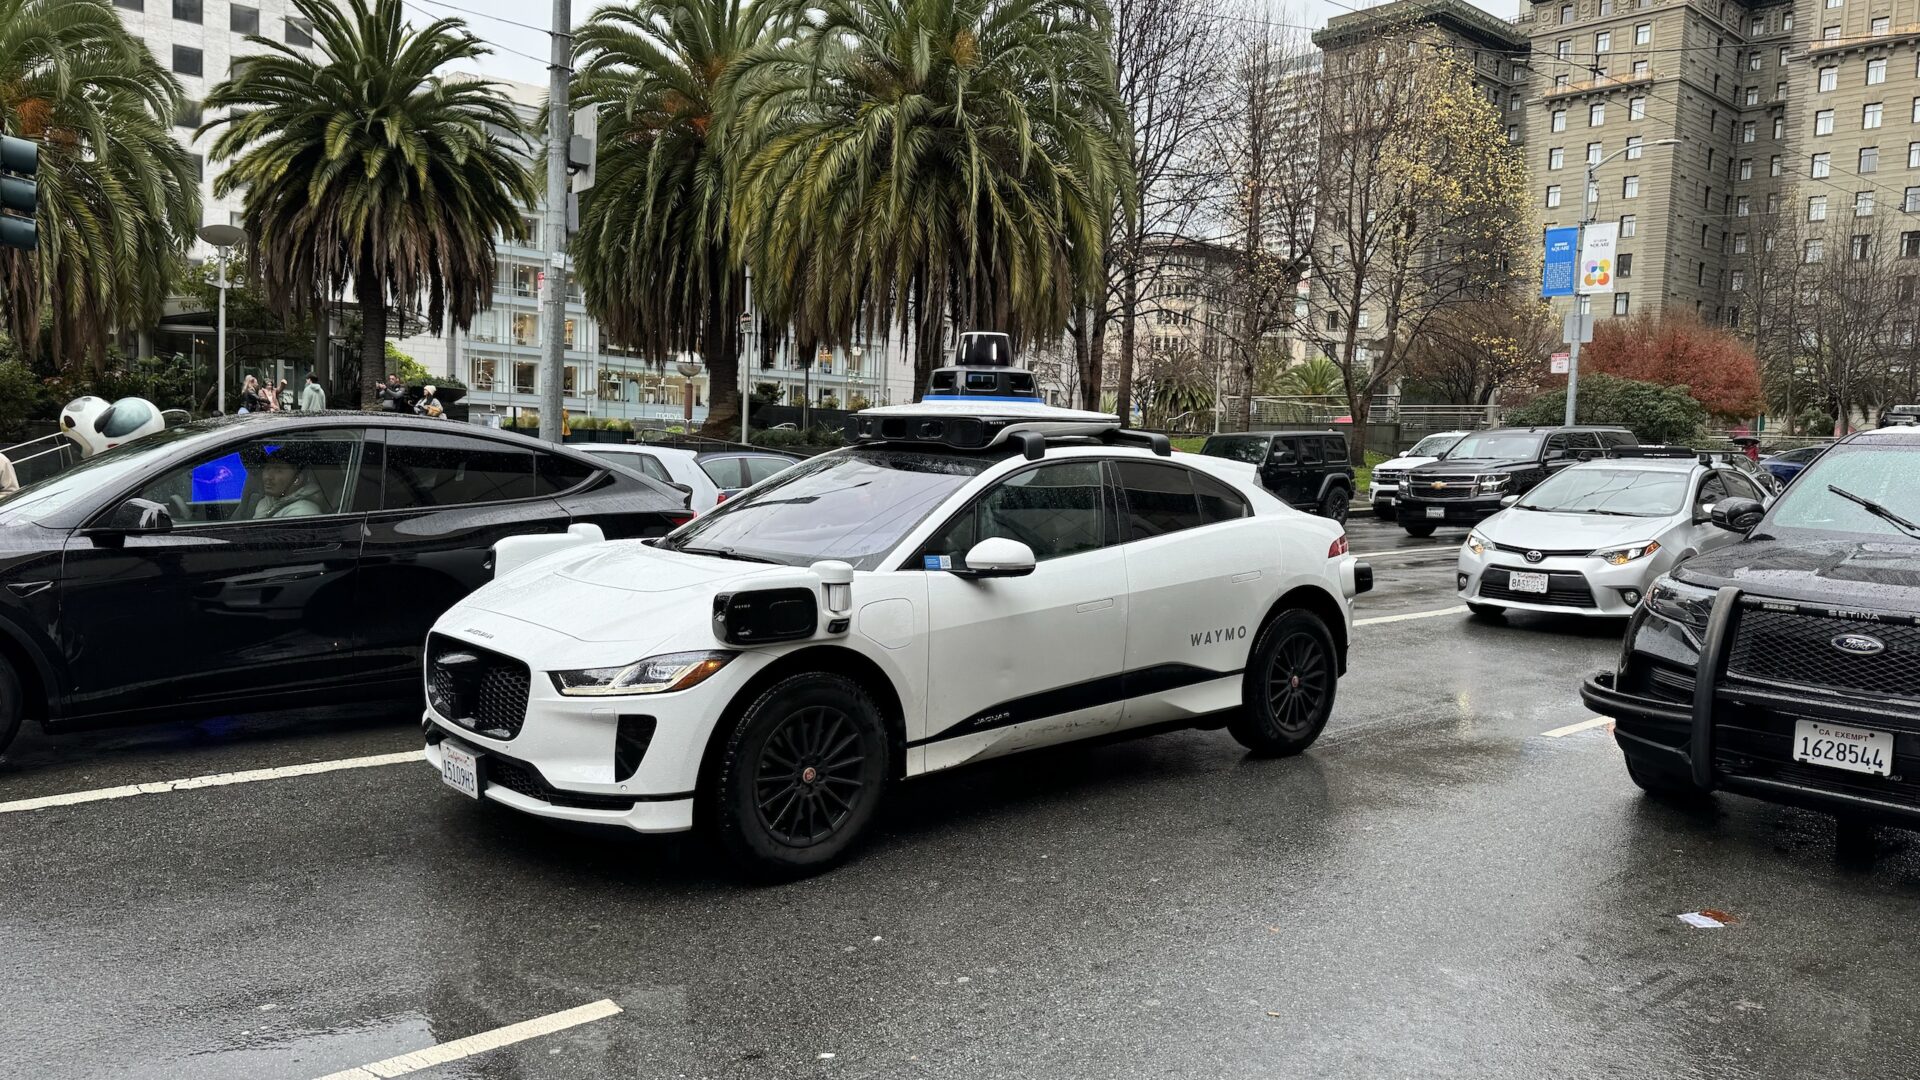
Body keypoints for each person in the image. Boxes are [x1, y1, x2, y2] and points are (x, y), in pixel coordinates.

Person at [249, 448, 325, 518]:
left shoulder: (302, 512)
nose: (268, 476)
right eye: (267, 468)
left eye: (278, 470)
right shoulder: (266, 503)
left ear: (297, 479)